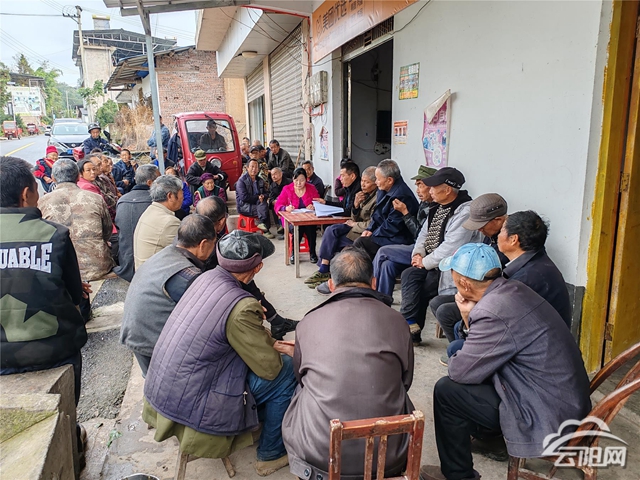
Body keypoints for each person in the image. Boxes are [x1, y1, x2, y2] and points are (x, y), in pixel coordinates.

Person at [419, 243, 591, 480]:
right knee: (466, 360)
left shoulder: (492, 310)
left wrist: (468, 316)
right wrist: (468, 318)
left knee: (447, 391)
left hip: (547, 413)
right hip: (562, 397)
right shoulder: (513, 289)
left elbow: (460, 372)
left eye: (453, 276)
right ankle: (487, 436)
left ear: (465, 284)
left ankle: (458, 475)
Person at [142, 231, 297, 476]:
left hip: (164, 392)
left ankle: (259, 421)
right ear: (258, 267)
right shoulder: (242, 305)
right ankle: (271, 454)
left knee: (276, 359)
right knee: (286, 371)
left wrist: (268, 339)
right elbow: (270, 369)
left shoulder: (204, 278)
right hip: (194, 402)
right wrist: (273, 342)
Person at [283, 248, 414, 479]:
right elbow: (406, 380)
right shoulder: (398, 321)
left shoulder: (308, 322)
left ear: (331, 285)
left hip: (320, 456)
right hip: (389, 457)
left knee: (301, 390)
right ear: (373, 282)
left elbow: (300, 378)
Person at [0, 156, 89, 466]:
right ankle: (72, 441)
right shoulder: (55, 235)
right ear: (26, 194)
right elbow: (76, 295)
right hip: (53, 349)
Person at [120, 214, 217, 377]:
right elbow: (208, 317)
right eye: (213, 244)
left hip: (135, 331)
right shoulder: (186, 276)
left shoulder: (167, 254)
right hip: (150, 340)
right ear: (203, 244)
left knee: (154, 383)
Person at [195, 196, 299, 340]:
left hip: (208, 291)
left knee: (247, 279)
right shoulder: (209, 245)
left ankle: (276, 321)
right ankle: (275, 321)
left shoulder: (195, 234)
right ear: (222, 221)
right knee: (245, 276)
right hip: (214, 299)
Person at [430, 193, 509, 360]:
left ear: (498, 220)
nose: (479, 229)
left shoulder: (505, 244)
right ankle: (461, 348)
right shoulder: (491, 237)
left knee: (445, 312)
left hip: (491, 296)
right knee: (437, 302)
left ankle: (465, 354)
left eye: (481, 225)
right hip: (480, 290)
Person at [39, 159, 114, 321]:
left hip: (61, 267)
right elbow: (107, 231)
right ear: (78, 176)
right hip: (97, 264)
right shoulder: (95, 198)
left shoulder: (43, 202)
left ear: (53, 177)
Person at [372, 165, 437, 297]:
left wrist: (405, 213)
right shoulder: (424, 203)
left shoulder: (435, 207)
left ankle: (371, 288)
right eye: (417, 185)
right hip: (415, 247)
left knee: (383, 251)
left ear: (432, 187)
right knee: (387, 265)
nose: (417, 191)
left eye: (421, 185)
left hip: (424, 252)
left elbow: (419, 234)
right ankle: (382, 300)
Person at [304, 164, 372, 288]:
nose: (340, 179)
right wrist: (326, 203)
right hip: (355, 223)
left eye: (342, 175)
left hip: (359, 227)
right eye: (362, 181)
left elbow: (352, 213)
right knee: (332, 235)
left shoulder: (365, 193)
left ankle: (324, 270)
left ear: (352, 176)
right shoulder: (352, 189)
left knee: (332, 230)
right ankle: (327, 271)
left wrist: (354, 215)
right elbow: (346, 207)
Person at [499, 211, 572, 326]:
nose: (498, 235)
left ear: (513, 239)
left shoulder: (525, 279)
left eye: (501, 230)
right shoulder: (539, 262)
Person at [353, 159, 419, 260]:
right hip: (384, 232)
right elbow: (376, 214)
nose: (376, 182)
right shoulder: (383, 189)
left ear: (389, 180)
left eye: (378, 179)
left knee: (360, 243)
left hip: (398, 237)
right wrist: (369, 229)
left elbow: (392, 226)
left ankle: (362, 269)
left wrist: (373, 234)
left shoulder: (401, 196)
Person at [113, 165, 160, 282]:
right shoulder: (156, 202)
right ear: (150, 183)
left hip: (125, 263)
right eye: (158, 180)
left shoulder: (122, 200)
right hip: (149, 265)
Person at [133, 175, 183, 269]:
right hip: (155, 275)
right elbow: (187, 251)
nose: (182, 197)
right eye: (181, 193)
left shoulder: (150, 210)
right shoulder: (169, 222)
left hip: (143, 272)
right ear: (170, 196)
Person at [274, 167, 320, 263]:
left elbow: (318, 202)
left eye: (302, 180)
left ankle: (312, 253)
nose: (299, 183)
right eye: (296, 180)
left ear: (306, 180)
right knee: (298, 228)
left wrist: (313, 206)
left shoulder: (311, 188)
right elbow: (278, 205)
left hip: (308, 219)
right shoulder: (287, 189)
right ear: (293, 179)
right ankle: (294, 253)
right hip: (291, 221)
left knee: (311, 227)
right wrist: (285, 208)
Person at [236, 158, 274, 238]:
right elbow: (244, 197)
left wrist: (263, 196)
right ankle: (265, 229)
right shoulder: (241, 181)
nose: (254, 169)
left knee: (263, 204)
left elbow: (267, 193)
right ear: (247, 168)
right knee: (263, 206)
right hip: (245, 206)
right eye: (252, 167)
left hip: (258, 203)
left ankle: (263, 225)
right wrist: (257, 198)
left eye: (256, 167)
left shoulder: (260, 180)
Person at [267, 167, 292, 237]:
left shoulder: (289, 182)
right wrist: (273, 201)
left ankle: (286, 228)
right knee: (274, 205)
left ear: (281, 174)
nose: (273, 176)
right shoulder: (272, 185)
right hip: (279, 204)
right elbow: (271, 197)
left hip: (288, 203)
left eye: (275, 174)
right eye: (272, 175)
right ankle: (279, 225)